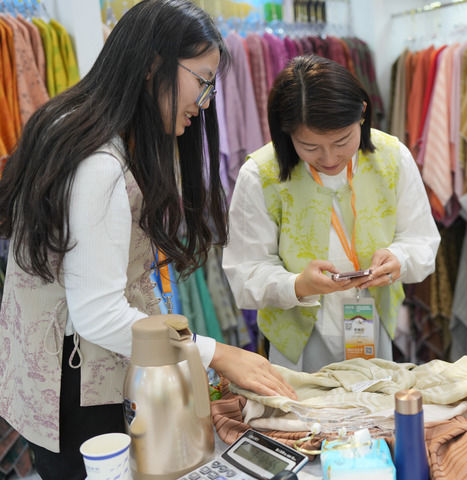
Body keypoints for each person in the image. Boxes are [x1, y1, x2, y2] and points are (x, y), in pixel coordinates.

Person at [0, 2, 294, 479]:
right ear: (154, 64)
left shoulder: (86, 131)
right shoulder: (98, 165)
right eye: (202, 81)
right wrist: (217, 354)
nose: (205, 103)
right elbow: (97, 313)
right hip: (80, 387)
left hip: (66, 376)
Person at [223, 55, 440, 372]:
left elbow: (422, 240)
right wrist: (297, 285)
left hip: (372, 322)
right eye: (310, 147)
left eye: (342, 141)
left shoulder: (393, 157)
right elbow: (245, 272)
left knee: (374, 398)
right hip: (296, 339)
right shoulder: (261, 174)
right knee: (302, 403)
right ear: (286, 132)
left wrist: (399, 259)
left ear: (362, 114)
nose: (329, 158)